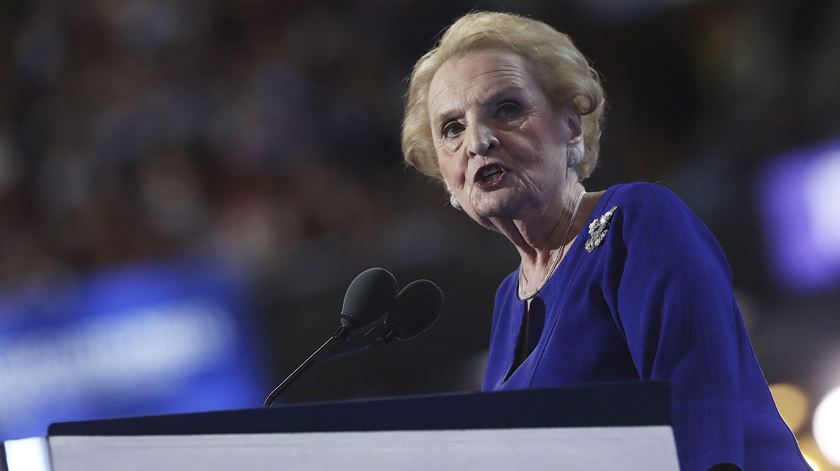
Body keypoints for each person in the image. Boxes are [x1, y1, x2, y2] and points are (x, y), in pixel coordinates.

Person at [400, 11, 810, 471]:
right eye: (451, 128)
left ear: (571, 125)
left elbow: (700, 410)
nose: (478, 140)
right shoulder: (507, 301)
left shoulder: (637, 221)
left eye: (508, 109)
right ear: (443, 174)